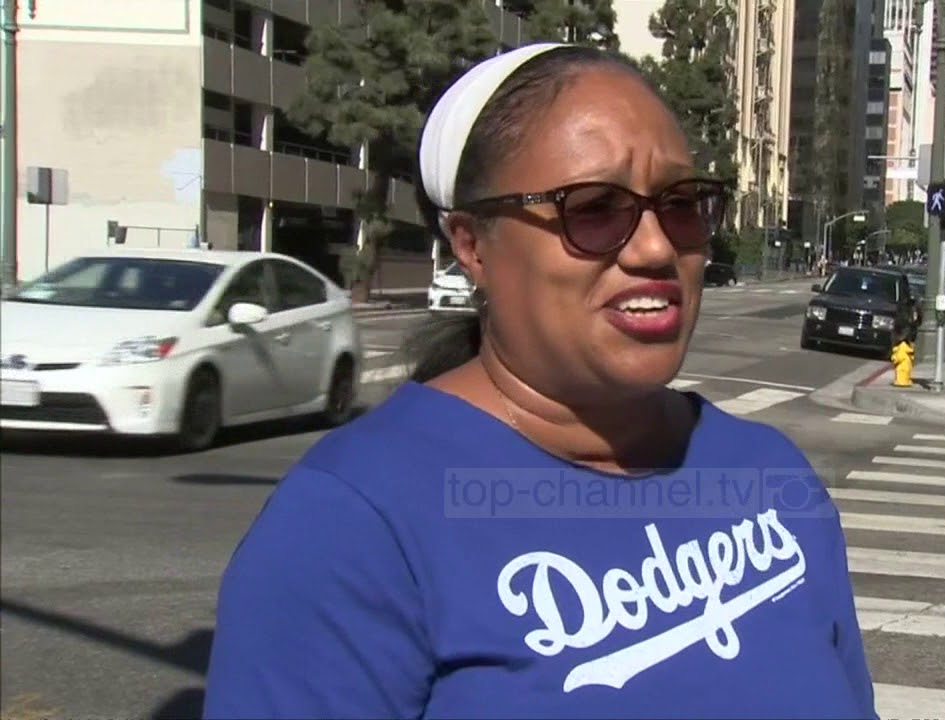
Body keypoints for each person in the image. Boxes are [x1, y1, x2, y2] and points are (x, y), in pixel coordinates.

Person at [201, 43, 878, 719]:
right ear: (472, 245)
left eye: (680, 204)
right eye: (594, 208)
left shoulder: (772, 477)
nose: (655, 248)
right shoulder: (349, 523)